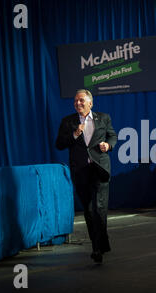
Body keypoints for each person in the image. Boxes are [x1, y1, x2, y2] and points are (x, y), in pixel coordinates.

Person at [55, 89, 117, 264]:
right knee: (89, 210)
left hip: (100, 169)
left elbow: (112, 136)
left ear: (91, 103)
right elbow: (59, 144)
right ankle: (101, 243)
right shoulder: (68, 122)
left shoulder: (103, 118)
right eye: (75, 101)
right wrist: (75, 135)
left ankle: (97, 248)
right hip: (80, 171)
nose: (78, 103)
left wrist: (108, 145)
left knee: (99, 208)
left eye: (81, 100)